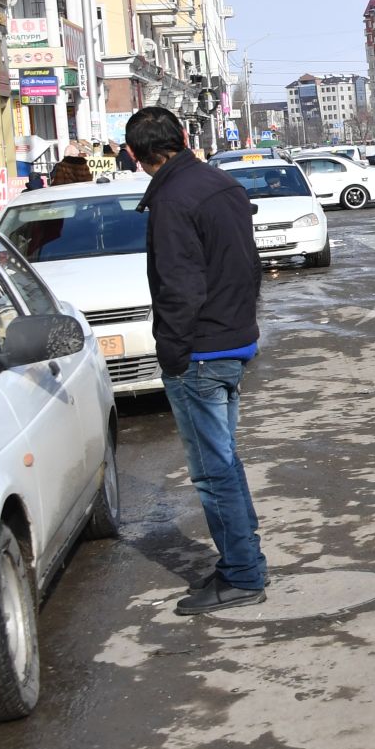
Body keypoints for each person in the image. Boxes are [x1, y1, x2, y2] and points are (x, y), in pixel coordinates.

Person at [129, 105, 269, 616]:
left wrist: (173, 355)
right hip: (232, 341)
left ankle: (242, 574)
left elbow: (179, 287)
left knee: (214, 471)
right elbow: (250, 264)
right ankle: (243, 561)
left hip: (202, 354)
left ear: (134, 154)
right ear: (184, 137)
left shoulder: (172, 199)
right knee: (225, 462)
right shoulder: (220, 184)